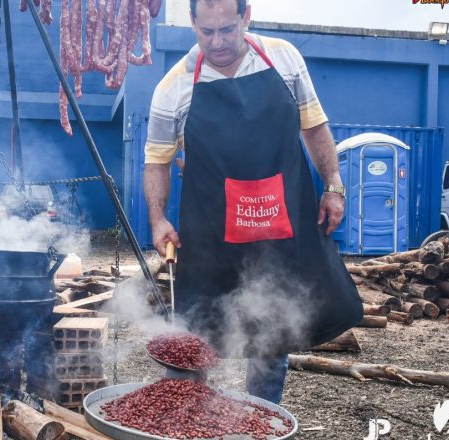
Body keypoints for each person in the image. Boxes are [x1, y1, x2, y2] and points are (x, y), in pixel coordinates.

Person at [143, 0, 363, 404]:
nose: (217, 41)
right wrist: (158, 220)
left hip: (277, 221)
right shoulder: (172, 87)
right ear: (192, 23)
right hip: (210, 227)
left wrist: (333, 184)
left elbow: (314, 126)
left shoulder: (283, 59)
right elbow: (157, 162)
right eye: (206, 31)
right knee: (195, 326)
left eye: (227, 29)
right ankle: (186, 415)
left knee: (271, 327)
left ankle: (263, 415)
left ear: (247, 17)